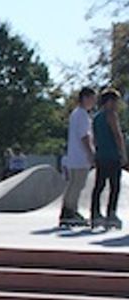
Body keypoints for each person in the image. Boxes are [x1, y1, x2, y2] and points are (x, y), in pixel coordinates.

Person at [59, 87, 97, 227]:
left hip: (73, 156)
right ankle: (71, 211)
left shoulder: (76, 114)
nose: (93, 102)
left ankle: (67, 210)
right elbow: (84, 136)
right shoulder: (81, 115)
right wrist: (91, 153)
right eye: (92, 99)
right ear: (85, 98)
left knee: (72, 184)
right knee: (77, 185)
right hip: (81, 157)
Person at [90, 88, 127, 229]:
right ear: (110, 101)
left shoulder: (96, 117)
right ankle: (111, 213)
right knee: (114, 186)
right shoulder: (111, 115)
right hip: (112, 155)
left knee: (99, 186)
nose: (117, 105)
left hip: (101, 155)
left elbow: (95, 138)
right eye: (116, 101)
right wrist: (123, 153)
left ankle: (95, 213)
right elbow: (118, 135)